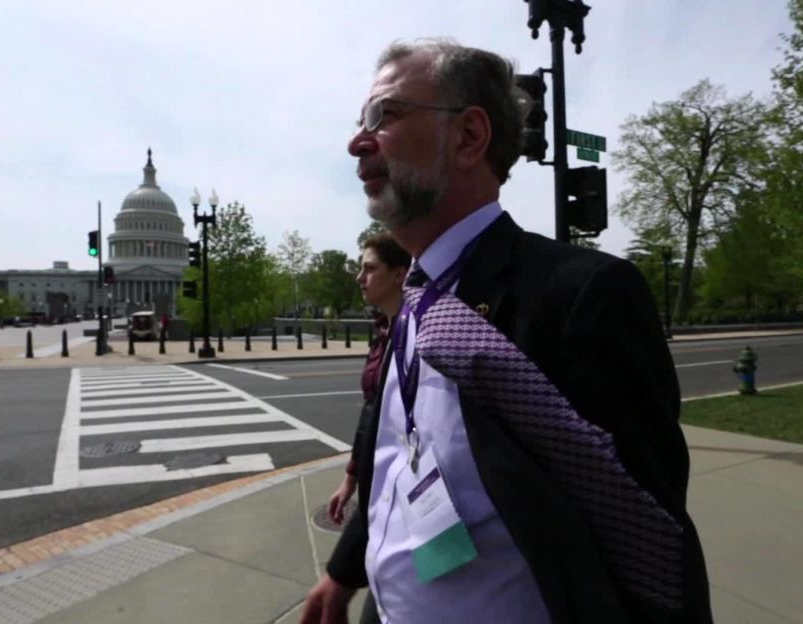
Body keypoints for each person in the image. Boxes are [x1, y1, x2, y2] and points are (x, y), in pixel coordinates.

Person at [301, 39, 711, 624]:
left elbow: (648, 542)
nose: (357, 141)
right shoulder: (414, 302)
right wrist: (343, 576)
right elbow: (400, 465)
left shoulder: (582, 296)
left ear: (468, 137)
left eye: (383, 116)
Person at [327, 233, 411, 525]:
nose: (359, 277)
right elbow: (370, 414)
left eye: (370, 268)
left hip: (408, 484)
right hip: (375, 476)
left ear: (399, 275)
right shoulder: (382, 334)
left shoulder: (419, 333)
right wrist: (350, 478)